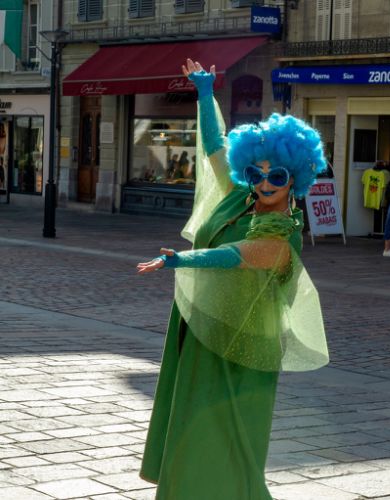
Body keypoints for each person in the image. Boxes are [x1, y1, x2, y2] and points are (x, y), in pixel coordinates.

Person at [137, 58, 329, 499]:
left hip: (245, 345)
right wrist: (205, 93)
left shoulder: (283, 234)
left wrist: (181, 261)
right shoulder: (239, 196)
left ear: (296, 177)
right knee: (190, 422)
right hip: (204, 326)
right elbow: (213, 145)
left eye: (276, 176)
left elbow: (236, 256)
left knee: (231, 438)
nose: (265, 183)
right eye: (257, 173)